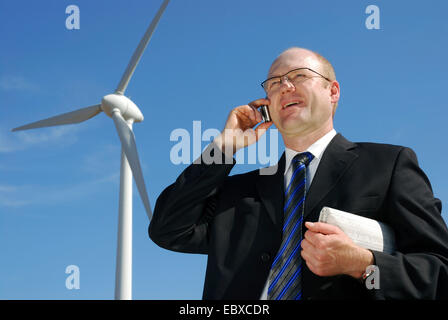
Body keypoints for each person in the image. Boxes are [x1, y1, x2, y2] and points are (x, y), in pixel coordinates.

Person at [149, 47, 448, 299]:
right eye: (274, 82)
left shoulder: (388, 164)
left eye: (298, 76)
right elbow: (167, 230)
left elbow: (439, 274)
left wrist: (364, 266)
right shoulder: (237, 192)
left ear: (333, 91)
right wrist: (223, 148)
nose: (285, 86)